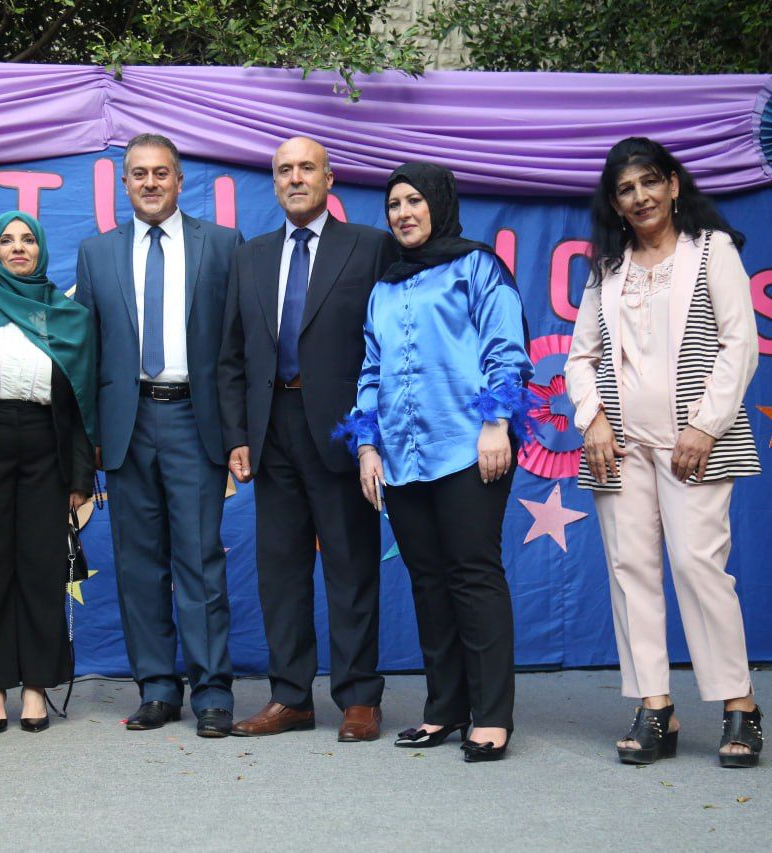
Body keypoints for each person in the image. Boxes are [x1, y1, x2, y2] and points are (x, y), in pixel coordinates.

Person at [564, 136, 764, 768]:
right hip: (619, 448)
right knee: (630, 570)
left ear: (674, 185)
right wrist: (593, 418)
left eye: (650, 182)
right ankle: (656, 707)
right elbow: (580, 359)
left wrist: (705, 426)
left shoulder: (712, 250)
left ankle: (740, 705)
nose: (640, 197)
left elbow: (740, 345)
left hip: (693, 443)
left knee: (699, 566)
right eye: (626, 189)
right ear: (614, 204)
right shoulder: (607, 268)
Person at [338, 161, 532, 762]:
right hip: (402, 458)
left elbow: (506, 348)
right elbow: (371, 370)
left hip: (469, 448)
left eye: (414, 200)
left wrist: (496, 425)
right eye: (394, 204)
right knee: (427, 581)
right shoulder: (385, 287)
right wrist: (367, 445)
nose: (403, 213)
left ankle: (492, 715)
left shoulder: (477, 266)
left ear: (440, 204)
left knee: (473, 575)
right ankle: (445, 708)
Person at [219, 136, 397, 741]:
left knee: (351, 566)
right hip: (271, 431)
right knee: (280, 572)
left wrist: (374, 432)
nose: (295, 178)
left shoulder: (369, 247)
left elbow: (389, 344)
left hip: (343, 432)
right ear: (274, 182)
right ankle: (291, 698)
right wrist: (237, 434)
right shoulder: (250, 255)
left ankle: (358, 697)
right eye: (284, 170)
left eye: (306, 168)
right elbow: (233, 354)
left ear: (328, 178)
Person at [75, 133, 242, 738]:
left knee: (199, 559)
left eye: (161, 173)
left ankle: (213, 692)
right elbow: (87, 351)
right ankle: (156, 688)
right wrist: (89, 436)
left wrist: (238, 430)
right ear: (125, 183)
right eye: (139, 174)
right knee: (138, 564)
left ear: (179, 180)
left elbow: (237, 345)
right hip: (126, 425)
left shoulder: (221, 244)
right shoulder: (96, 252)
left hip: (195, 419)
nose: (150, 183)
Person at [0, 211, 96, 734]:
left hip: (46, 446)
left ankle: (34, 685)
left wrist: (80, 477)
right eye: (6, 240)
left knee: (40, 565)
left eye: (28, 239)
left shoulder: (67, 315)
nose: (18, 248)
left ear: (42, 249)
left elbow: (81, 402)